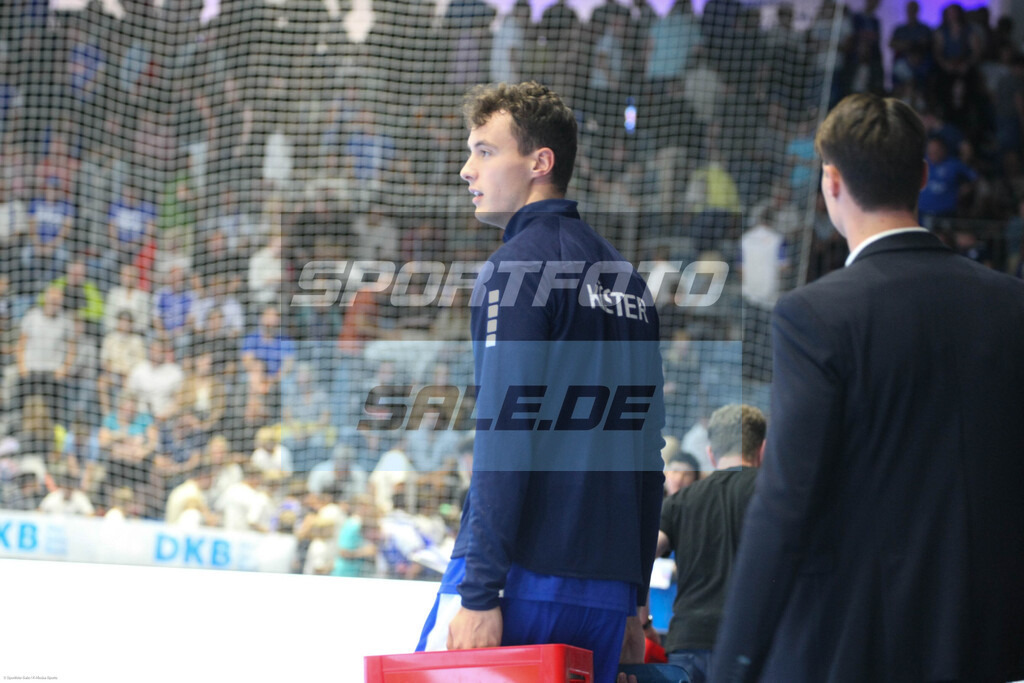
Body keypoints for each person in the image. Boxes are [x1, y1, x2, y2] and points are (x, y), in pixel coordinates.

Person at [712, 93, 1024, 681]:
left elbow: (786, 502)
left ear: (831, 181)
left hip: (859, 644)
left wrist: (734, 664)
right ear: (923, 176)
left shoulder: (815, 315)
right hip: (993, 642)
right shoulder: (1011, 304)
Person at [420, 82, 665, 683]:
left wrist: (479, 593)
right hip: (607, 593)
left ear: (539, 163)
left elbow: (507, 434)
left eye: (483, 151)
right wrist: (636, 601)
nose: (465, 169)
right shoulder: (629, 282)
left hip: (522, 579)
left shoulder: (516, 269)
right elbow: (646, 453)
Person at [657, 404, 765, 683]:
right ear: (762, 449)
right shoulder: (776, 495)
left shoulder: (680, 501)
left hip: (688, 641)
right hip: (753, 640)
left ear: (710, 452)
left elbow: (640, 554)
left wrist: (640, 622)